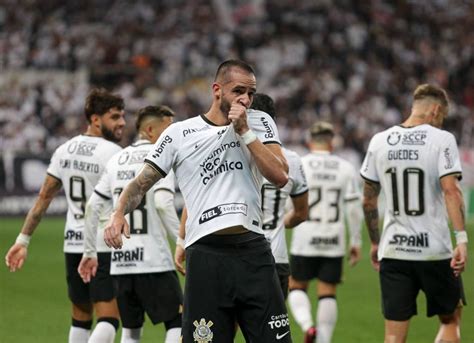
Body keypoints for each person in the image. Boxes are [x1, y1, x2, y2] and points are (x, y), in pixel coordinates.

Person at [103, 59, 293, 342]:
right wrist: (118, 212)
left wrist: (245, 132)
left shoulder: (259, 122)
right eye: (238, 90)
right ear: (217, 90)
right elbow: (142, 183)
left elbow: (279, 175)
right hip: (206, 256)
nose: (246, 99)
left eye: (251, 93)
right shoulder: (179, 134)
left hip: (253, 252)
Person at [5, 88, 125, 343]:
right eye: (115, 117)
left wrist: (23, 240)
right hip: (101, 245)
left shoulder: (64, 150)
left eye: (122, 116)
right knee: (110, 319)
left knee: (81, 315)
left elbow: (44, 198)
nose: (122, 123)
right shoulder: (113, 154)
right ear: (95, 119)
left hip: (73, 243)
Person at [360, 84, 468, 343]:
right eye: (441, 116)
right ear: (435, 109)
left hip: (394, 250)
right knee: (451, 319)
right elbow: (451, 191)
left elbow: (368, 201)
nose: (440, 122)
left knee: (394, 337)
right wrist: (461, 239)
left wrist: (375, 242)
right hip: (434, 251)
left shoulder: (379, 140)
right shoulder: (442, 139)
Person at [78, 105, 183, 343]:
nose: (172, 135)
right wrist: (182, 241)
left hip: (122, 263)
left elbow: (92, 206)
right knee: (177, 322)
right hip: (155, 261)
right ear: (149, 129)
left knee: (131, 330)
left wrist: (89, 251)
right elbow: (162, 203)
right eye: (168, 129)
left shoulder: (117, 159)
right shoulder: (161, 156)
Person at [287, 121, 363, 343]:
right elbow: (353, 209)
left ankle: (308, 326)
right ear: (332, 143)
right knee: (328, 291)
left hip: (305, 237)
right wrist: (356, 241)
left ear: (310, 141)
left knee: (296, 286)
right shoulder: (345, 167)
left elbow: (287, 204)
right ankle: (324, 340)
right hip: (333, 239)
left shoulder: (300, 165)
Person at [250, 93, 309, 299]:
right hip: (275, 256)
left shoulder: (230, 154)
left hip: (237, 254)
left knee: (223, 327)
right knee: (272, 329)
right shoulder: (291, 160)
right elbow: (301, 213)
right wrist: (278, 222)